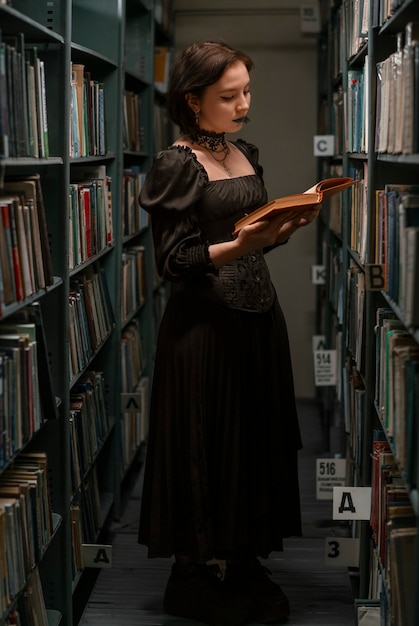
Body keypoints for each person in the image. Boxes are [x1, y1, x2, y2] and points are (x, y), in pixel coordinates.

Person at [138, 40, 320, 626]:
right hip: (204, 328)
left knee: (252, 439)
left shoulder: (244, 150)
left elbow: (250, 229)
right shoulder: (174, 164)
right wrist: (241, 245)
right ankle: (193, 572)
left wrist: (285, 223)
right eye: (229, 95)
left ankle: (242, 559)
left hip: (257, 317)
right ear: (193, 102)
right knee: (206, 442)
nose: (244, 104)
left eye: (247, 91)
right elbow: (174, 261)